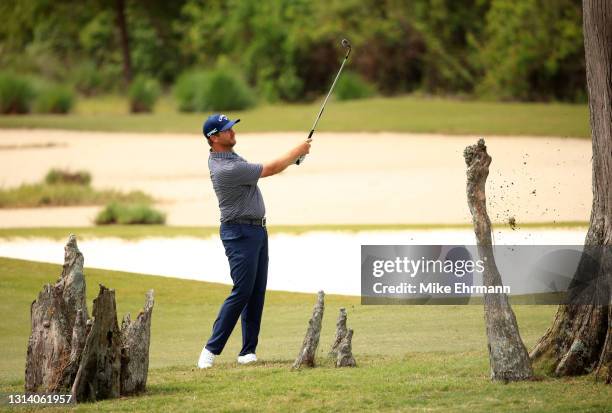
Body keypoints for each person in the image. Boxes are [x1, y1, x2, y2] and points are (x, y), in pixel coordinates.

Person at [197, 113, 311, 368]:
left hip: (257, 231)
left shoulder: (230, 157)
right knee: (242, 291)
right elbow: (269, 169)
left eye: (231, 127)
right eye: (226, 130)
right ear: (213, 138)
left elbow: (267, 169)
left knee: (256, 291)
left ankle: (247, 352)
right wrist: (297, 151)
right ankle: (210, 350)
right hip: (239, 233)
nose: (232, 131)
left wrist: (294, 160)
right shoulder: (225, 168)